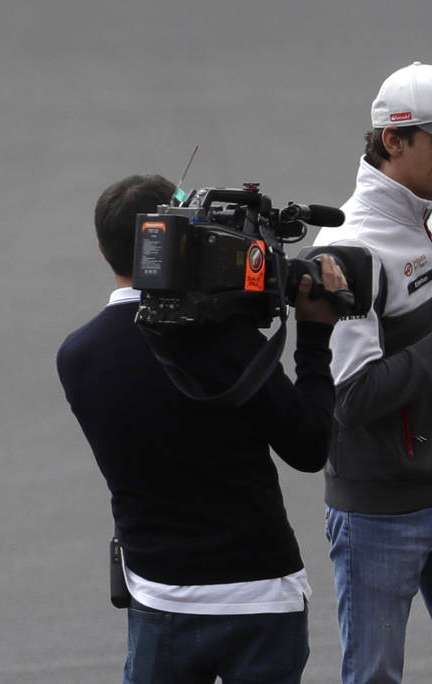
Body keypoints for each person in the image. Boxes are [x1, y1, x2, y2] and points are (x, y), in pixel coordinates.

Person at [57, 174, 346, 684]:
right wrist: (314, 337)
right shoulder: (228, 338)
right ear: (183, 235)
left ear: (104, 249)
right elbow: (308, 445)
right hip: (261, 593)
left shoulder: (77, 356)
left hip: (160, 596)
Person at [310, 62, 432, 684]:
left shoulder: (417, 216)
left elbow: (410, 272)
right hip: (379, 516)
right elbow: (351, 397)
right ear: (394, 141)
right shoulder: (349, 250)